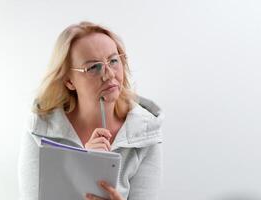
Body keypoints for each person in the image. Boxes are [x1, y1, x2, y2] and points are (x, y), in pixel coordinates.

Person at [18, 21, 164, 200]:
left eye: (113, 60)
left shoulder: (145, 132)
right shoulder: (41, 128)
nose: (109, 74)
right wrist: (84, 167)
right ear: (69, 81)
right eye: (93, 67)